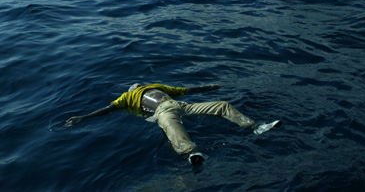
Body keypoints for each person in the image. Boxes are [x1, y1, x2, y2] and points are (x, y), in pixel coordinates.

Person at [66, 82, 281, 165]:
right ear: (132, 90)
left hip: (181, 105)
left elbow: (186, 91)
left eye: (138, 84)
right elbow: (107, 109)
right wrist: (82, 117)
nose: (138, 85)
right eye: (135, 86)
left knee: (222, 105)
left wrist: (209, 88)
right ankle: (191, 153)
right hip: (161, 111)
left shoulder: (157, 86)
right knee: (171, 126)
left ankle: (255, 127)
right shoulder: (126, 97)